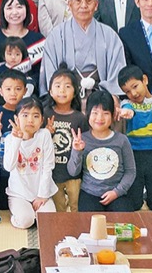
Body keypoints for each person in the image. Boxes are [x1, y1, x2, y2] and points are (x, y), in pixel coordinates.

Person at [41, 0, 128, 96]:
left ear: (96, 5)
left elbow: (117, 72)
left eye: (89, 1)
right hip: (65, 96)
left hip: (100, 95)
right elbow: (50, 72)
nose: (83, 5)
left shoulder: (109, 35)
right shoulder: (56, 36)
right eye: (78, 1)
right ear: (70, 4)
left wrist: (111, 95)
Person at [69, 91, 138, 212]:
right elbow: (73, 172)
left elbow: (130, 171)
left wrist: (117, 192)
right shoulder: (81, 139)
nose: (100, 118)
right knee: (89, 222)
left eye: (105, 113)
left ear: (113, 115)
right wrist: (77, 151)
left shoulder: (122, 140)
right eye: (95, 113)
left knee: (124, 221)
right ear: (87, 114)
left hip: (117, 194)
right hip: (89, 193)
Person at [116, 66, 152, 211]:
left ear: (145, 80)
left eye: (135, 86)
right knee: (134, 204)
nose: (133, 93)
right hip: (133, 155)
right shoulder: (127, 103)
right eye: (127, 91)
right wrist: (127, 112)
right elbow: (129, 110)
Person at [0, 0, 45, 102]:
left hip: (28, 94)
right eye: (9, 8)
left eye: (19, 7)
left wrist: (26, 84)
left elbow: (40, 72)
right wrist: (2, 81)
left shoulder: (38, 39)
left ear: (27, 9)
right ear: (3, 11)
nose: (14, 12)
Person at [2, 97, 57, 228]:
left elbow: (48, 167)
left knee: (48, 223)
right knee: (25, 221)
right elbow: (8, 166)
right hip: (19, 194)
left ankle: (35, 213)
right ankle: (21, 214)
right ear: (16, 119)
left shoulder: (44, 135)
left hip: (41, 192)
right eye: (25, 115)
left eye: (36, 116)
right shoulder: (9, 138)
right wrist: (17, 140)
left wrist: (42, 195)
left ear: (42, 120)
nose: (30, 120)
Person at [45, 69, 87, 212]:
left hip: (73, 176)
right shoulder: (45, 113)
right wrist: (46, 133)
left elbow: (85, 145)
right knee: (58, 211)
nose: (62, 90)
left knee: (75, 209)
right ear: (50, 91)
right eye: (57, 86)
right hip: (52, 175)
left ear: (75, 92)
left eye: (68, 86)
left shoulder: (80, 117)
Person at [0, 70, 27, 209]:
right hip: (1, 171)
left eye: (18, 89)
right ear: (0, 91)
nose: (13, 93)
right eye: (8, 89)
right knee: (2, 207)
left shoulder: (29, 114)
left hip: (23, 171)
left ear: (25, 91)